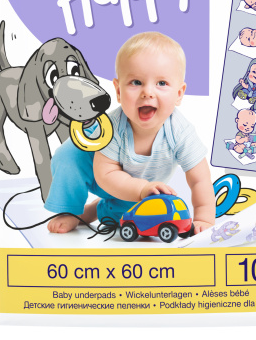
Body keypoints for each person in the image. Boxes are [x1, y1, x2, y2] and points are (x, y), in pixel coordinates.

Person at [45, 32, 215, 235]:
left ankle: (93, 211)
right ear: (118, 91)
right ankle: (71, 211)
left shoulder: (180, 131)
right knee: (69, 156)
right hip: (99, 173)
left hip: (139, 185)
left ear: (179, 94)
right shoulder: (112, 128)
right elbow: (106, 175)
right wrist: (140, 188)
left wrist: (204, 218)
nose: (147, 92)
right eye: (136, 82)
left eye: (161, 83)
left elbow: (200, 179)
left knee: (126, 217)